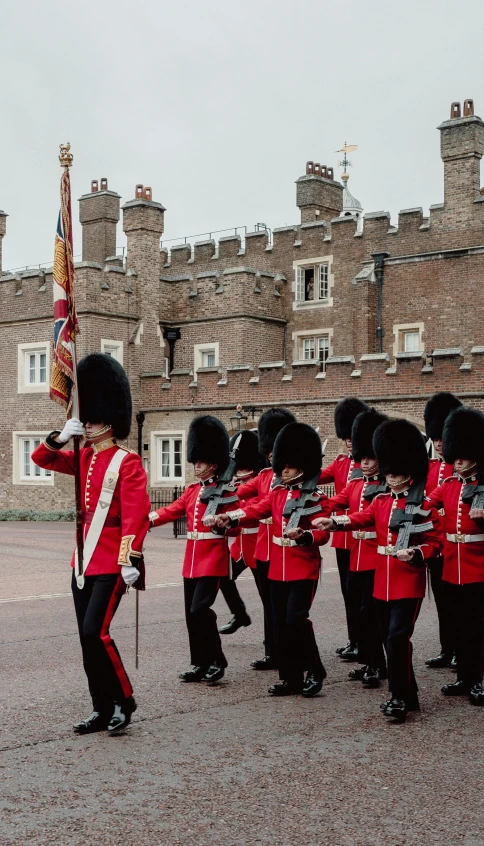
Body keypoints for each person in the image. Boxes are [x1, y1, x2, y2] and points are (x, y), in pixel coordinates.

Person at [32, 353, 150, 735]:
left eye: (91, 417)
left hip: (112, 562)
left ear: (109, 419)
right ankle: (100, 708)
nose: (86, 422)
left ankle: (123, 701)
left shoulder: (127, 463)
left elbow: (136, 513)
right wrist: (59, 437)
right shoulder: (84, 457)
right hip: (82, 561)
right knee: (86, 641)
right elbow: (41, 458)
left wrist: (131, 556)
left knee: (94, 633)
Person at [314, 419, 441, 722]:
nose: (392, 475)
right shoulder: (382, 500)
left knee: (397, 637)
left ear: (409, 471)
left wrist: (417, 553)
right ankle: (409, 694)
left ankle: (398, 697)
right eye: (391, 470)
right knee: (390, 639)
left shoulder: (423, 504)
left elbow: (435, 543)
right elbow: (360, 517)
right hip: (381, 581)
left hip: (407, 581)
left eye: (397, 470)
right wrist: (333, 522)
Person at [210, 423, 331, 697]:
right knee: (280, 623)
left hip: (303, 568)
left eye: (288, 466)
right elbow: (256, 509)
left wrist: (305, 536)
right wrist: (230, 517)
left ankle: (315, 670)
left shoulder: (316, 498)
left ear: (302, 466)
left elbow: (322, 536)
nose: (282, 470)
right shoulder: (277, 493)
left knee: (296, 619)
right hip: (277, 567)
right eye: (282, 465)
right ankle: (291, 678)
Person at [149, 415, 234, 684]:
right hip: (192, 559)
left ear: (214, 462)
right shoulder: (191, 491)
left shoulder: (227, 493)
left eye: (202, 460)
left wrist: (222, 525)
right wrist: (145, 519)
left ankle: (217, 660)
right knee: (190, 614)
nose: (197, 465)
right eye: (195, 460)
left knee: (200, 610)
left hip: (213, 558)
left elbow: (238, 525)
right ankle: (199, 662)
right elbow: (170, 511)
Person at [327, 409, 388, 689]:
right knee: (361, 611)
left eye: (369, 457)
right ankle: (371, 661)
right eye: (361, 457)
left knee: (374, 613)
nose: (363, 462)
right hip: (358, 556)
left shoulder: (389, 488)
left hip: (378, 557)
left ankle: (379, 664)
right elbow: (335, 503)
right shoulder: (355, 485)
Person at [427, 407, 484, 706]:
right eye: (454, 454)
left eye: (462, 454)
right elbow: (425, 503)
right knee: (459, 625)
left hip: (478, 568)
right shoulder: (449, 485)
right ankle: (465, 677)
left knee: (478, 627)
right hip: (452, 566)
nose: (456, 460)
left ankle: (479, 680)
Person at [235, 408, 296, 670]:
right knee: (269, 605)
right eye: (269, 452)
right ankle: (272, 652)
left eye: (275, 452)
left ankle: (288, 652)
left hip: (284, 547)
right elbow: (239, 492)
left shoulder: (293, 480)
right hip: (263, 548)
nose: (272, 456)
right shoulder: (262, 476)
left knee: (285, 608)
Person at [320, 397, 369, 660]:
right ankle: (354, 640)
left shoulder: (370, 465)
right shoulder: (340, 463)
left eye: (353, 435)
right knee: (348, 592)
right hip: (343, 537)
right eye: (346, 435)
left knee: (362, 595)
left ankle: (365, 641)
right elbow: (316, 476)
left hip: (363, 535)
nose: (349, 440)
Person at [423, 392, 462, 670]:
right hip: (435, 544)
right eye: (434, 438)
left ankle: (464, 650)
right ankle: (447, 648)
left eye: (441, 438)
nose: (438, 444)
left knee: (461, 603)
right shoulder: (430, 467)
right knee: (442, 601)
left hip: (456, 546)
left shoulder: (462, 468)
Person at [219, 430, 265, 635]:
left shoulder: (261, 482)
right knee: (223, 578)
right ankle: (240, 614)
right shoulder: (237, 484)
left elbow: (254, 511)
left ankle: (272, 645)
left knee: (267, 597)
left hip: (258, 544)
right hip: (241, 546)